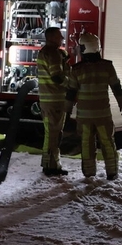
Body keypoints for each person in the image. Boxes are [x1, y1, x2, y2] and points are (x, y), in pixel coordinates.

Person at [67, 33, 122, 180]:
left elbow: (70, 93)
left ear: (85, 48)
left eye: (80, 47)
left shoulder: (76, 69)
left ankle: (89, 173)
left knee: (86, 144)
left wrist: (67, 112)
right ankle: (112, 172)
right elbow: (116, 87)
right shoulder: (107, 66)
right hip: (103, 116)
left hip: (85, 117)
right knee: (107, 142)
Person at [37, 27, 70, 176]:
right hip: (55, 100)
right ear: (52, 38)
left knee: (50, 133)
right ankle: (51, 166)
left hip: (46, 99)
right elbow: (57, 76)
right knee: (54, 134)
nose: (62, 39)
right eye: (59, 36)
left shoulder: (44, 52)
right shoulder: (54, 54)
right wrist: (71, 85)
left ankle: (49, 163)